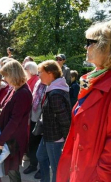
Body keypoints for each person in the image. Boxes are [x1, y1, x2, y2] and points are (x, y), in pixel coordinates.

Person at [57, 21, 111, 182]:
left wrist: (101, 176)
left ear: (105, 47)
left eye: (90, 42)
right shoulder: (92, 80)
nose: (86, 47)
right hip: (81, 168)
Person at [0, 59, 32, 181]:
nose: (4, 79)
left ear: (13, 74)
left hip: (14, 139)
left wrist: (1, 139)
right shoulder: (14, 88)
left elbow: (14, 120)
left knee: (12, 170)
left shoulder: (23, 93)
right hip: (9, 137)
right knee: (10, 168)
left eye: (6, 76)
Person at [36, 60, 71, 182]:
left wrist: (66, 140)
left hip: (55, 137)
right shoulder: (53, 88)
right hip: (48, 134)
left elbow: (65, 120)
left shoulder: (55, 93)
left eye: (40, 72)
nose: (38, 75)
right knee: (40, 156)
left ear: (50, 73)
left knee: (57, 169)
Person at [23, 79, 46, 180]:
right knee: (32, 143)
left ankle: (42, 169)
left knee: (43, 147)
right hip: (34, 118)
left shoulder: (51, 85)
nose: (39, 74)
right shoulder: (38, 82)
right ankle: (33, 165)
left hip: (44, 121)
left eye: (41, 72)